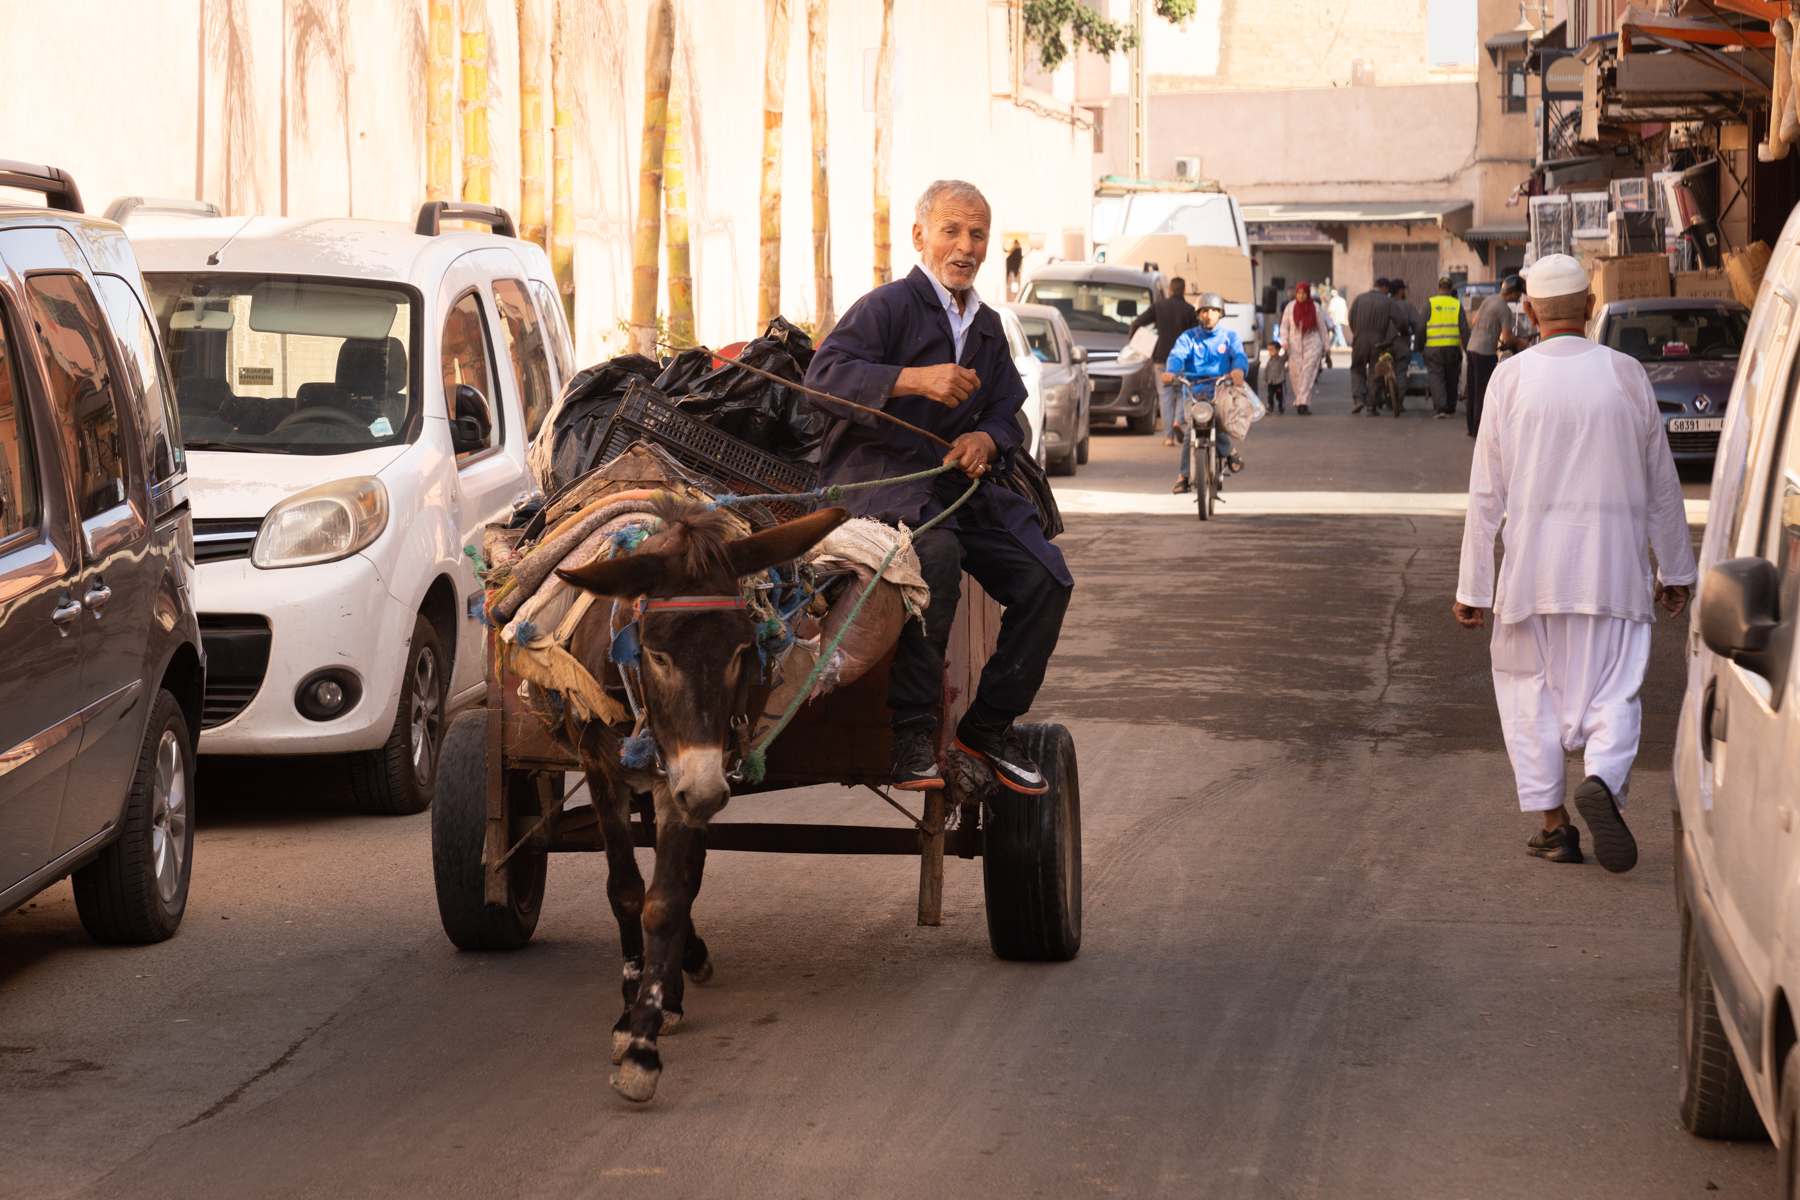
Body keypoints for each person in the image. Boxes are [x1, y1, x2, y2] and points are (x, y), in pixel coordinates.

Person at [805, 180, 1073, 796]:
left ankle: (988, 725)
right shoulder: (886, 307)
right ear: (920, 236)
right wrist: (913, 380)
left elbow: (1006, 412)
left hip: (959, 486)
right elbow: (823, 378)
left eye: (977, 234)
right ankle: (912, 732)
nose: (965, 246)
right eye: (951, 230)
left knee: (1046, 579)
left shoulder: (988, 327)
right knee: (938, 558)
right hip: (882, 482)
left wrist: (986, 439)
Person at [1453, 253, 1696, 873]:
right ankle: (1603, 781)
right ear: (1590, 307)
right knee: (1615, 692)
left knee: (1527, 693)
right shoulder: (1626, 374)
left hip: (1532, 577)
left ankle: (1555, 826)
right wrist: (1676, 571)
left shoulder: (1508, 380)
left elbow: (1486, 493)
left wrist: (1473, 586)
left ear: (1529, 313)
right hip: (1614, 573)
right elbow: (1662, 485)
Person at [1161, 291, 1247, 490]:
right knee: (1193, 425)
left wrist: (1238, 370)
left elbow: (1239, 356)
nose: (1209, 315)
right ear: (1198, 314)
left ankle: (1228, 450)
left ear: (1220, 314)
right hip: (1192, 390)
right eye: (1204, 311)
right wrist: (1171, 371)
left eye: (1213, 311)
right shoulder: (1188, 337)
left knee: (1217, 419)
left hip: (1221, 390)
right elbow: (1176, 355)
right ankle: (1184, 476)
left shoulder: (1230, 337)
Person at [1127, 275, 1200, 445]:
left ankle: (1169, 437)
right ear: (1184, 291)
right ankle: (1178, 421)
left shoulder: (1158, 307)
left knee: (1164, 396)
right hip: (1183, 360)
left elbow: (1136, 323)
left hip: (1161, 359)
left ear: (1169, 290)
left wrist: (1134, 341)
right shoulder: (1190, 310)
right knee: (1183, 392)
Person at [1464, 274, 1527, 438]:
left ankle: (1471, 427)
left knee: (1472, 390)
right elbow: (1507, 339)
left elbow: (1474, 322)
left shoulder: (1489, 299)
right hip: (1484, 352)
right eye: (1518, 294)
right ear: (1513, 292)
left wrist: (1490, 330)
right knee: (1482, 392)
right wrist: (1521, 341)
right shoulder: (1504, 309)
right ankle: (1478, 430)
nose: (1518, 297)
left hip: (1471, 348)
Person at [1419, 276, 1470, 419]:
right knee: (1452, 377)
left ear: (1438, 289)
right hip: (1452, 348)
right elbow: (1464, 330)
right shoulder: (1457, 304)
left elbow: (1421, 327)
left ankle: (1441, 407)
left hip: (1433, 349)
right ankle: (1451, 407)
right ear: (1451, 289)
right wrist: (1468, 350)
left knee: (1436, 377)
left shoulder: (1430, 303)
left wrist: (1419, 346)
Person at [1348, 278, 1399, 414]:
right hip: (1378, 341)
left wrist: (1357, 333)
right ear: (1385, 288)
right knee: (1375, 371)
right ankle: (1371, 406)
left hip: (1360, 339)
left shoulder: (1359, 299)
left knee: (1357, 369)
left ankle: (1358, 399)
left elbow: (1351, 319)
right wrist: (1404, 332)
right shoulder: (1388, 301)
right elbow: (1399, 320)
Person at [1278, 281, 1328, 415]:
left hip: (1313, 344)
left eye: (1304, 293)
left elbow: (1322, 328)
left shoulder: (1315, 307)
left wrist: (1327, 347)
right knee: (1295, 375)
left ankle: (1302, 403)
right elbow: (1284, 327)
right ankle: (1300, 400)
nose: (1301, 296)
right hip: (1294, 347)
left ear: (1308, 293)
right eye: (1299, 293)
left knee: (1307, 373)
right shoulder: (1290, 307)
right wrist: (1284, 342)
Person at [1262, 339, 1288, 414]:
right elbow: (1266, 371)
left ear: (1278, 350)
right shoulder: (1269, 361)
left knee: (1280, 396)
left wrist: (1286, 349)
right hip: (1271, 382)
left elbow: (1286, 356)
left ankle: (1281, 407)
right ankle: (1270, 407)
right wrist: (1265, 380)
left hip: (1279, 382)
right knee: (1270, 396)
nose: (1270, 352)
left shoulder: (1281, 360)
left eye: (1272, 350)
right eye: (1269, 350)